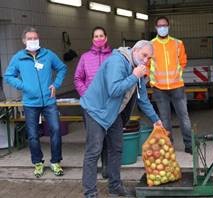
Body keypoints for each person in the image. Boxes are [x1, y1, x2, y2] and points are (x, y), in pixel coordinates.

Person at [80, 40, 163, 197]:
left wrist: (155, 119)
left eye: (149, 58)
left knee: (116, 149)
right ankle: (90, 193)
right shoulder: (117, 61)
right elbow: (114, 89)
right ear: (135, 51)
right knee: (94, 151)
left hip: (113, 112)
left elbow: (143, 99)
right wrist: (134, 76)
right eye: (144, 55)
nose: (146, 60)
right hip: (96, 110)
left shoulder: (138, 69)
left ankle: (115, 187)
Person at [4, 27, 67, 178]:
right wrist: (24, 86)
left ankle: (55, 162)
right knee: (32, 135)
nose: (33, 41)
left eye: (35, 38)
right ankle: (38, 163)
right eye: (30, 38)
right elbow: (8, 76)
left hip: (49, 101)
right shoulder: (18, 58)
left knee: (56, 130)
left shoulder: (48, 54)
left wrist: (56, 84)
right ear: (24, 41)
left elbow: (62, 68)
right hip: (30, 103)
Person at [147, 16, 192, 154]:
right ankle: (169, 145)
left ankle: (189, 144)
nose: (162, 28)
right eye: (160, 26)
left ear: (168, 26)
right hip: (159, 88)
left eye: (165, 25)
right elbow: (146, 64)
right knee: (165, 120)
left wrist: (177, 74)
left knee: (184, 117)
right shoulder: (150, 45)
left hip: (177, 86)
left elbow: (183, 61)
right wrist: (151, 79)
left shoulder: (178, 43)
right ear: (156, 28)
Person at [74, 26, 112, 179]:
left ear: (106, 37)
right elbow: (78, 79)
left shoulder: (113, 56)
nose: (99, 38)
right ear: (92, 39)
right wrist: (86, 94)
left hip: (109, 104)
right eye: (96, 36)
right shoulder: (85, 57)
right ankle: (90, 171)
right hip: (91, 105)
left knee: (109, 137)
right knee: (94, 139)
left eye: (101, 35)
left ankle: (106, 167)